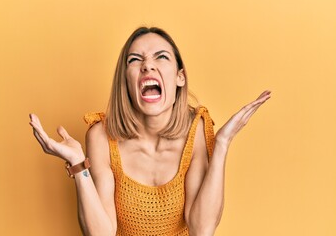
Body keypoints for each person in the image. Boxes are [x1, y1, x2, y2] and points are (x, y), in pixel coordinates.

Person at [29, 27, 271, 236]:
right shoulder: (101, 136)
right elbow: (101, 234)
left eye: (161, 57)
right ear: (125, 81)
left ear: (180, 77)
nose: (147, 66)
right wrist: (78, 164)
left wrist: (222, 144)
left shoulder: (196, 130)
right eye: (135, 60)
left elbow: (202, 230)